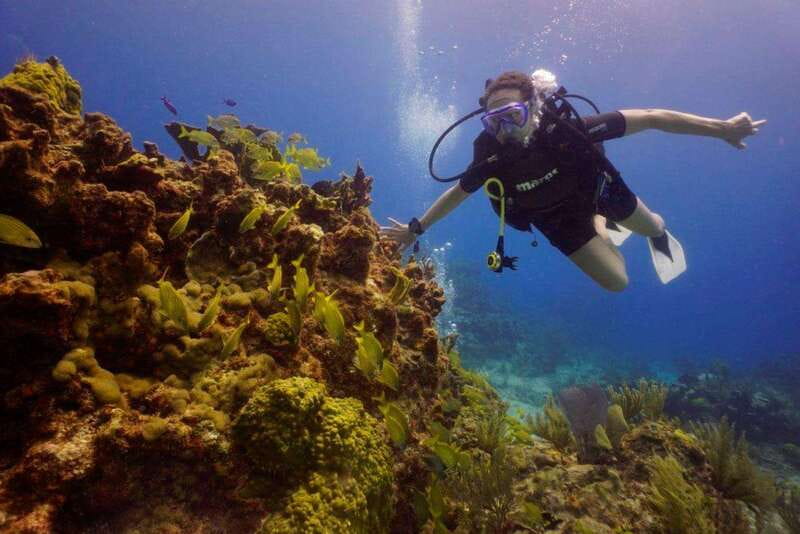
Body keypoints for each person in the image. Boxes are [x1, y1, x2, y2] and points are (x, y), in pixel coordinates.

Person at [379, 70, 766, 291]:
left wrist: (721, 129)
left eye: (512, 115)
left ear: (533, 108)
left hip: (598, 191)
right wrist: (416, 228)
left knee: (651, 227)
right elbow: (458, 192)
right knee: (617, 283)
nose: (504, 129)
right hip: (554, 220)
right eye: (494, 121)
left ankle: (643, 225)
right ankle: (600, 227)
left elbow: (651, 117)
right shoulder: (490, 154)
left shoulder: (568, 129)